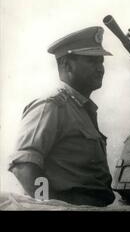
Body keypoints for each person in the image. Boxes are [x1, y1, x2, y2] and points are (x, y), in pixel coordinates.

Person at [8, 26, 115, 207]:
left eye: (101, 62)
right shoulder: (52, 106)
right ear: (66, 64)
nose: (100, 69)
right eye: (92, 61)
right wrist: (49, 206)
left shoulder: (80, 109)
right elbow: (24, 166)